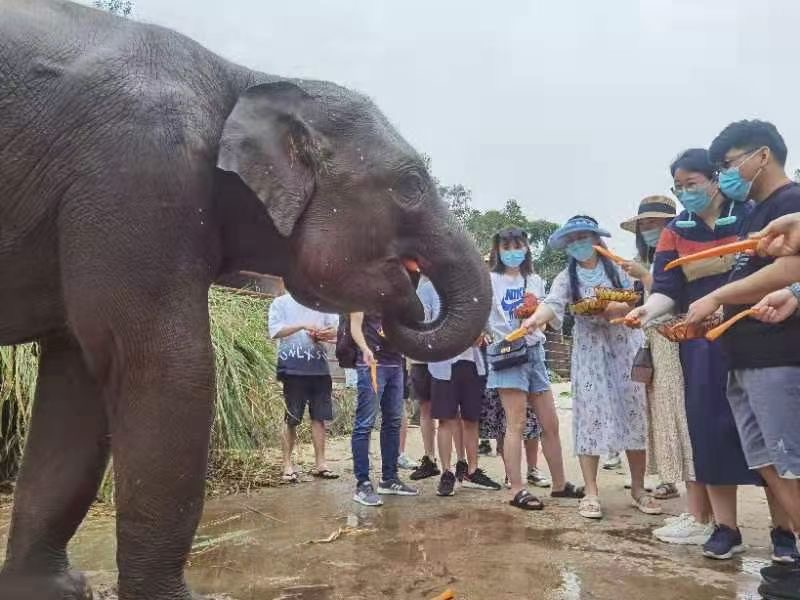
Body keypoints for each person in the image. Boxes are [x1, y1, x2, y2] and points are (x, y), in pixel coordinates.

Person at [625, 147, 789, 561]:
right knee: (709, 432)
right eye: (678, 187)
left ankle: (783, 530)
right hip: (701, 343)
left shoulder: (753, 215)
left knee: (769, 435)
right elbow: (666, 288)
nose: (685, 193)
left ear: (715, 178)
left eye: (691, 184)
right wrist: (649, 308)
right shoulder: (676, 231)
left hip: (758, 334)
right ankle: (725, 527)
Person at [681, 122, 800, 587]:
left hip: (778, 355)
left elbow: (790, 268)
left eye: (729, 164)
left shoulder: (790, 203)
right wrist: (720, 313)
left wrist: (716, 297)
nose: (726, 174)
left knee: (789, 458)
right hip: (744, 353)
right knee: (768, 461)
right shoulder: (756, 213)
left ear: (762, 156)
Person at [523, 216, 655, 520]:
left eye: (583, 237)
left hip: (624, 346)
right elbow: (552, 304)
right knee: (590, 415)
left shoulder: (619, 268)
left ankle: (638, 488)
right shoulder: (565, 278)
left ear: (596, 239)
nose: (578, 244)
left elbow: (637, 299)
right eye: (572, 240)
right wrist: (535, 319)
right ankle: (591, 491)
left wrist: (616, 308)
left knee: (633, 412)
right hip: (589, 351)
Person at [487, 226, 583, 511]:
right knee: (514, 422)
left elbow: (548, 318)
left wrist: (535, 317)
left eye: (518, 245)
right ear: (498, 251)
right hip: (507, 354)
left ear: (527, 248)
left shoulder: (536, 280)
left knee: (550, 422)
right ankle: (516, 488)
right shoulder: (490, 281)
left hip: (535, 352)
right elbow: (483, 318)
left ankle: (559, 484)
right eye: (506, 247)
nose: (513, 251)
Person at [620, 196, 691, 506]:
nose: (649, 229)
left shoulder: (681, 254)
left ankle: (689, 480)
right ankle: (667, 476)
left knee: (675, 408)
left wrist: (645, 276)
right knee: (658, 411)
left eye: (655, 224)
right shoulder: (643, 259)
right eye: (644, 225)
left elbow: (675, 296)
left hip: (674, 339)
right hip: (649, 341)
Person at [268, 287, 340, 483]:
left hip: (319, 368)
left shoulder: (323, 303)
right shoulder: (281, 303)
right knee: (291, 417)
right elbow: (274, 331)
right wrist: (301, 325)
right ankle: (287, 465)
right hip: (292, 367)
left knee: (320, 417)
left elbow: (337, 329)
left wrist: (323, 334)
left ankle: (321, 464)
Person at [349, 312, 419, 506]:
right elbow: (355, 325)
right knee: (365, 423)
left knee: (393, 421)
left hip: (396, 363)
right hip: (371, 363)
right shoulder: (362, 292)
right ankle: (362, 483)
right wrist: (364, 348)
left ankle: (389, 478)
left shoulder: (395, 297)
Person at [409, 275, 441, 481]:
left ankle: (460, 463)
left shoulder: (453, 287)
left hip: (449, 358)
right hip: (422, 359)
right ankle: (430, 458)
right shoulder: (422, 288)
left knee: (452, 413)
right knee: (426, 408)